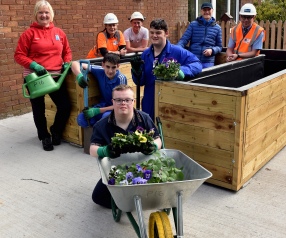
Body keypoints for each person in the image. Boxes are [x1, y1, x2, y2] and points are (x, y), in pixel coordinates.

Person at [89, 84, 162, 208]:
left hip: (144, 166)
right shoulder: (102, 125)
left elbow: (157, 139)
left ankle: (136, 200)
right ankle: (128, 205)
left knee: (158, 192)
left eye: (127, 100)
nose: (123, 103)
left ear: (133, 101)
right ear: (113, 101)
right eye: (118, 100)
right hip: (117, 168)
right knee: (98, 197)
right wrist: (105, 150)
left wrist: (153, 147)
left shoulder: (144, 118)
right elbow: (92, 149)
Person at [14, 0, 72, 151]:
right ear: (36, 15)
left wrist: (66, 61)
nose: (44, 15)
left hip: (55, 76)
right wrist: (33, 65)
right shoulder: (29, 34)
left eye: (46, 12)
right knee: (39, 109)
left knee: (65, 106)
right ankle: (44, 136)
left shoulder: (59, 33)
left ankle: (56, 130)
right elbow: (19, 55)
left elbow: (67, 51)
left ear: (51, 14)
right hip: (36, 77)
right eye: (40, 12)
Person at [130, 19, 202, 120]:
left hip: (170, 100)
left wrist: (181, 71)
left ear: (166, 33)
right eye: (152, 32)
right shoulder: (145, 55)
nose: (154, 36)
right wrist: (136, 71)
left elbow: (197, 64)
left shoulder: (177, 51)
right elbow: (140, 82)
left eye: (158, 33)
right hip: (149, 99)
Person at [71, 53, 128, 128]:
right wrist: (79, 75)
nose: (110, 71)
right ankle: (97, 133)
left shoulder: (121, 78)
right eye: (107, 67)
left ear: (118, 66)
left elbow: (121, 105)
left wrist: (98, 110)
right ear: (103, 65)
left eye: (113, 67)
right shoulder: (100, 70)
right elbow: (75, 63)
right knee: (82, 119)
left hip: (116, 109)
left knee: (106, 117)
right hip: (103, 105)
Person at [177, 2, 222, 69]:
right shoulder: (193, 25)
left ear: (212, 11)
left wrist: (212, 50)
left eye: (208, 10)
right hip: (193, 59)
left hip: (208, 61)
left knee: (207, 78)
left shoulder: (217, 28)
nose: (206, 12)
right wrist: (177, 48)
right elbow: (184, 40)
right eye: (204, 10)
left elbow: (219, 47)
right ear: (201, 11)